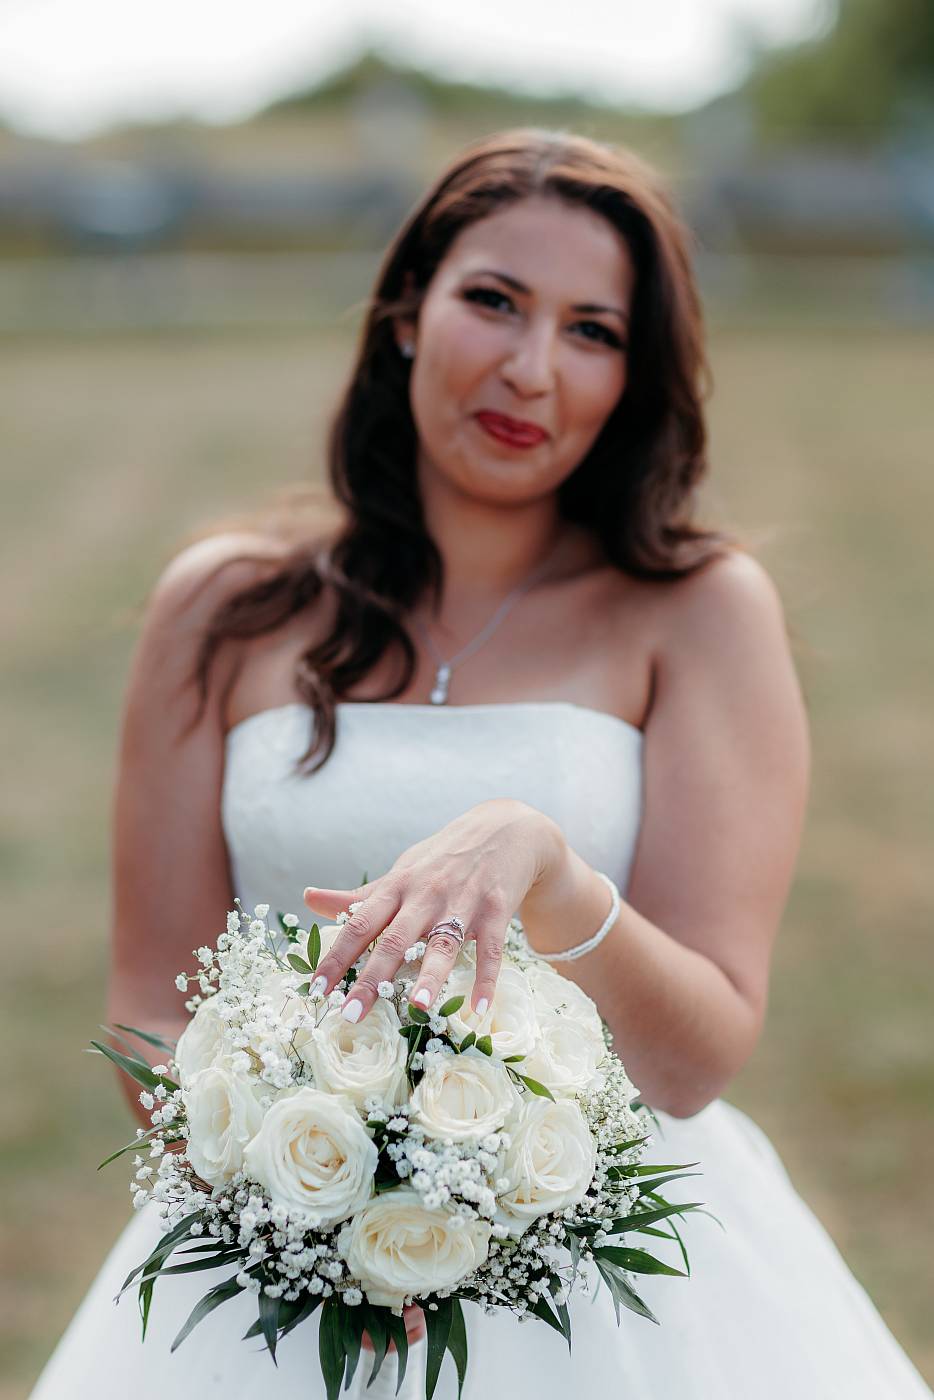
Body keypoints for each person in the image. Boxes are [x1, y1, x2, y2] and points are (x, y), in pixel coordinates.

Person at [30, 128, 932, 1399]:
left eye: (592, 331)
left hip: (613, 1302)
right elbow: (147, 1008)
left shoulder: (697, 613)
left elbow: (697, 1052)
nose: (529, 369)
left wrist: (549, 867)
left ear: (634, 375)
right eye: (492, 301)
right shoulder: (221, 608)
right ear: (407, 313)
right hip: (269, 1273)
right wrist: (318, 1205)